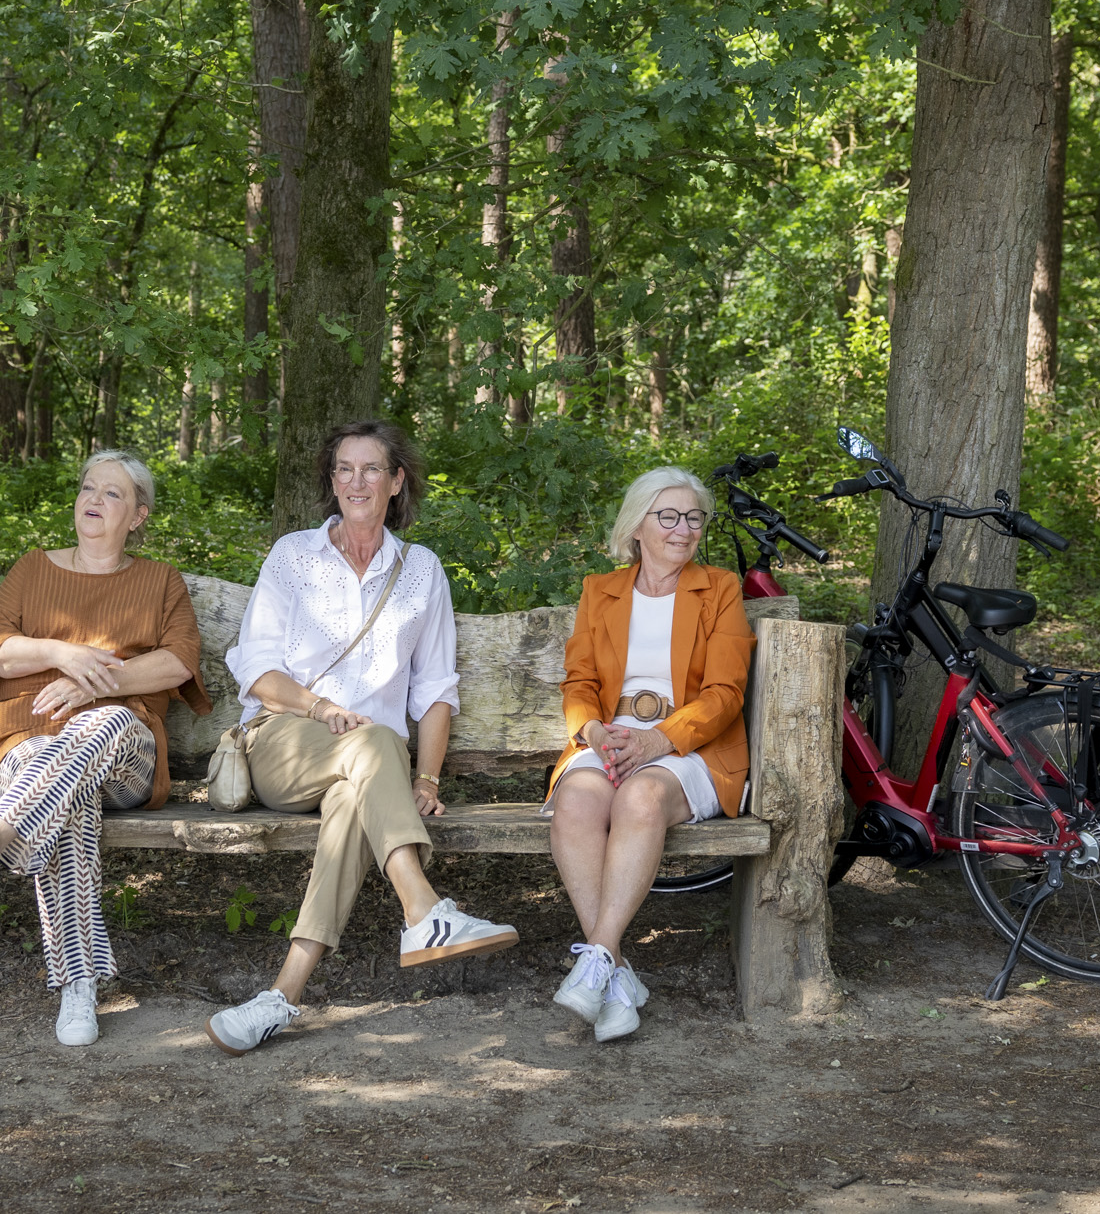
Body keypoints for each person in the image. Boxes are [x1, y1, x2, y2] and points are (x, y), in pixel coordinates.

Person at [205, 420, 518, 1056]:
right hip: (284, 742)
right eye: (344, 469)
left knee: (356, 794)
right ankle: (423, 910)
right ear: (331, 480)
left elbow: (435, 688)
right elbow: (256, 670)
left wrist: (426, 778)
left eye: (371, 468)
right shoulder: (294, 555)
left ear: (396, 482)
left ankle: (280, 996)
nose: (356, 481)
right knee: (375, 741)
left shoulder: (421, 570)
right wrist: (321, 708)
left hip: (367, 770)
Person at [0, 450, 209, 1048]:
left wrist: (96, 682)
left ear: (137, 516)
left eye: (113, 493)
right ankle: (79, 986)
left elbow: (178, 661)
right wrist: (61, 654)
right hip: (25, 736)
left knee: (103, 722)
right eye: (89, 487)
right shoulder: (33, 569)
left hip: (123, 747)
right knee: (70, 799)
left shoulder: (159, 581)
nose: (94, 499)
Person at [544, 466, 755, 1043]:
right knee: (576, 802)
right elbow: (579, 681)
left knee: (640, 798)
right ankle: (614, 975)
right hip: (611, 738)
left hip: (691, 744)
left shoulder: (720, 589)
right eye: (668, 516)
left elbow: (725, 692)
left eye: (693, 517)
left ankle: (598, 956)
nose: (683, 529)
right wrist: (591, 732)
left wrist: (659, 740)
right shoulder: (600, 591)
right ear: (637, 526)